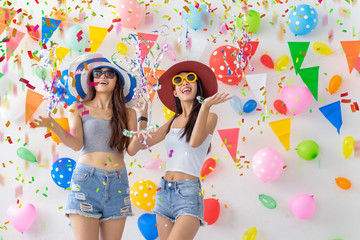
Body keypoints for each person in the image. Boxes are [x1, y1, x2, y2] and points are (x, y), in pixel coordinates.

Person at [34, 53, 147, 240]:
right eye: (98, 74)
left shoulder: (128, 113)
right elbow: (76, 144)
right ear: (91, 80)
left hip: (118, 183)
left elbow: (132, 149)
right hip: (87, 180)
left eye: (110, 74)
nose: (103, 76)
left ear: (118, 81)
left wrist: (143, 118)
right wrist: (53, 125)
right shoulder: (78, 108)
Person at [138, 61, 230, 240]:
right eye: (178, 81)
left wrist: (205, 106)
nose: (184, 83)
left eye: (190, 79)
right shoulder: (173, 121)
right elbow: (143, 142)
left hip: (188, 195)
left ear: (198, 86)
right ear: (174, 92)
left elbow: (195, 141)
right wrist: (142, 113)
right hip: (164, 191)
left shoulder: (210, 116)